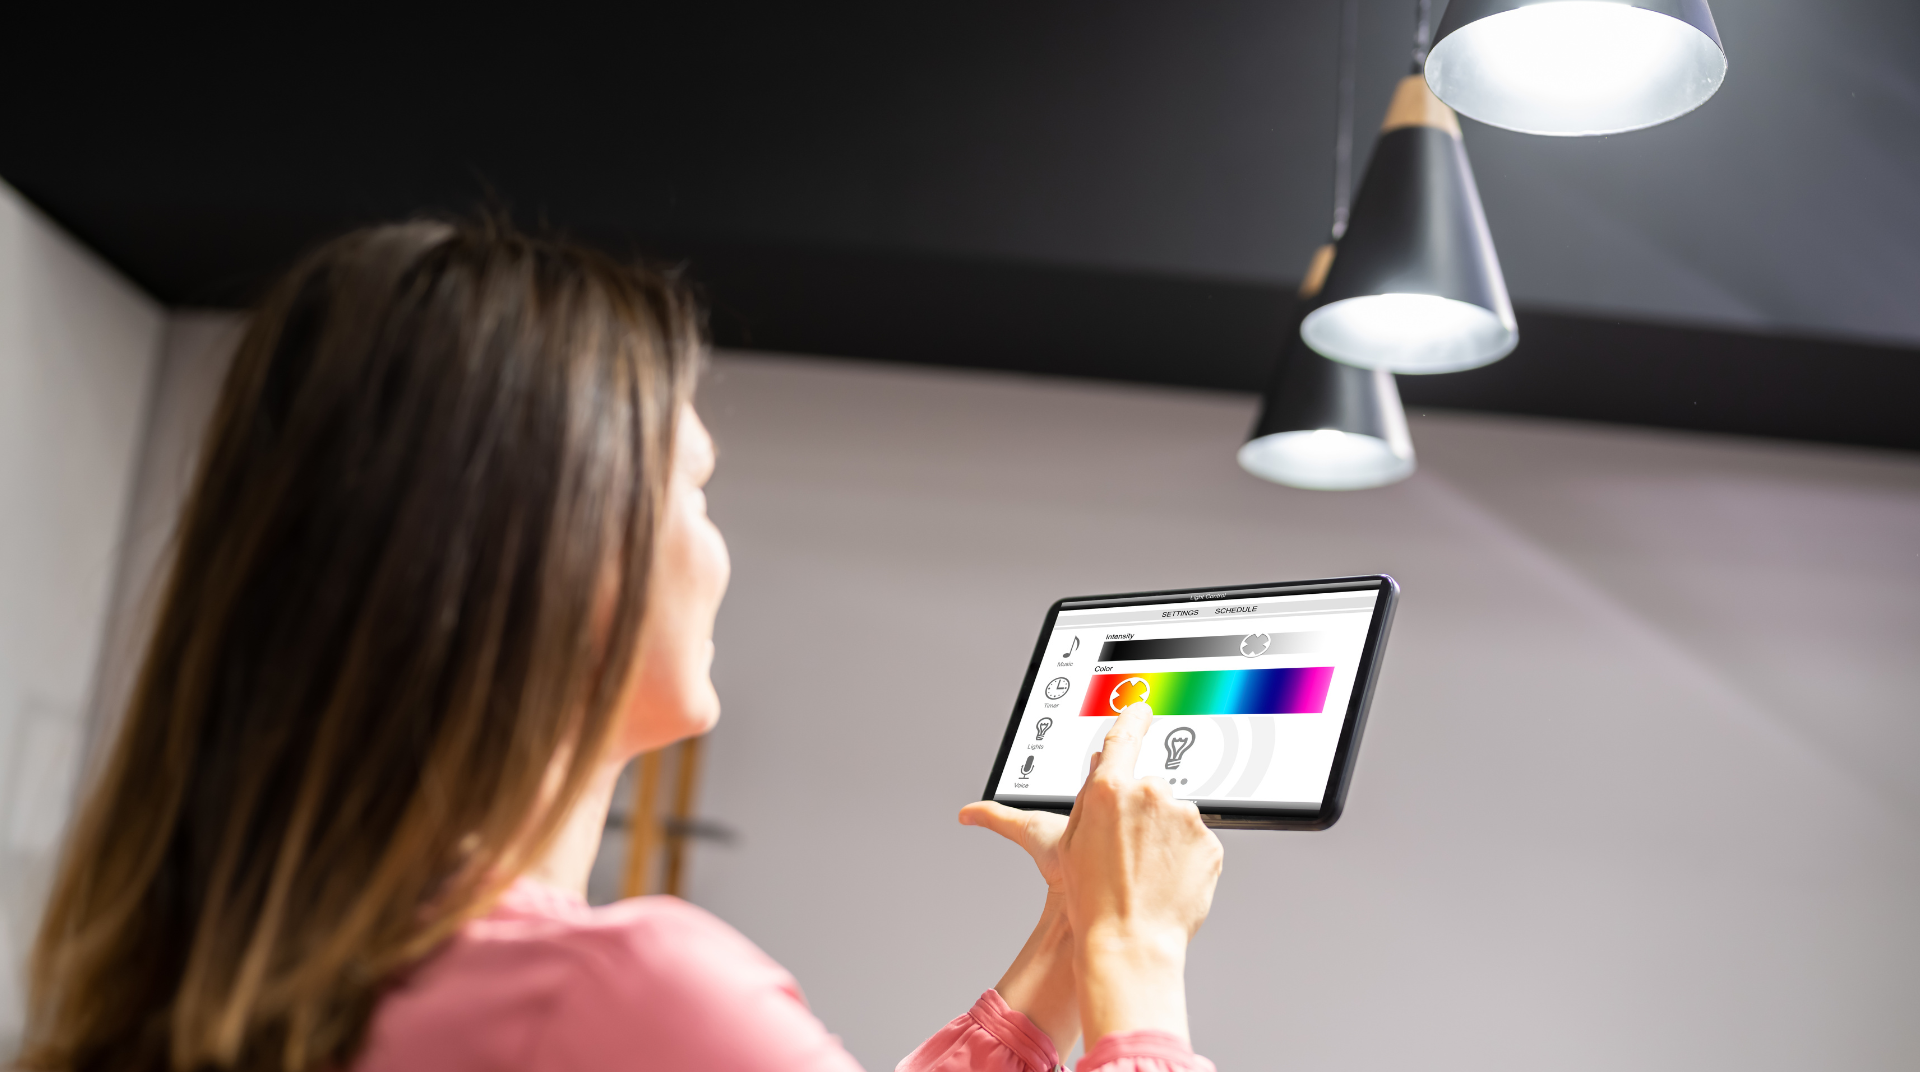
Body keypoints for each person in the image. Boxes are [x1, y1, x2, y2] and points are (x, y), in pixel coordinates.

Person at [21, 222, 1224, 1072]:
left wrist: (1067, 953)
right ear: (563, 548)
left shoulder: (253, 981)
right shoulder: (618, 995)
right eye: (695, 490)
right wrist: (1136, 956)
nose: (716, 550)